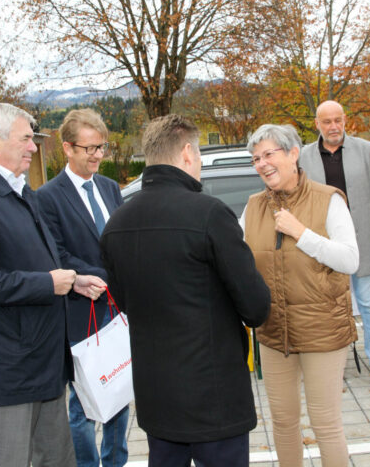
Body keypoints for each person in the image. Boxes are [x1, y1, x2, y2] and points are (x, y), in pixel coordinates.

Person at [100, 114, 271, 467]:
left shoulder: (117, 223)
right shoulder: (209, 214)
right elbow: (255, 307)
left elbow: (124, 301)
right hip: (214, 396)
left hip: (156, 396)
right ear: (188, 153)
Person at [0, 103, 104, 467]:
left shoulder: (21, 190)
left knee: (57, 458)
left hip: (44, 359)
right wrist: (47, 284)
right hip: (10, 367)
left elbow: (42, 259)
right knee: (11, 458)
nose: (34, 147)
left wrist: (73, 281)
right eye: (27, 139)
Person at [242, 124, 359, 467]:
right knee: (282, 422)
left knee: (325, 423)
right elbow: (238, 261)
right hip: (274, 331)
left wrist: (302, 233)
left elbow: (350, 259)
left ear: (293, 153)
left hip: (323, 330)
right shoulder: (253, 207)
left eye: (269, 154)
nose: (262, 164)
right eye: (256, 159)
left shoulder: (328, 199)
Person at [37, 109, 129, 467]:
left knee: (119, 390)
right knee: (84, 404)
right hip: (80, 311)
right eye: (88, 148)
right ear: (67, 148)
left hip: (116, 310)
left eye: (101, 148)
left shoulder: (108, 187)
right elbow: (56, 254)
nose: (96, 155)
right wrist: (100, 277)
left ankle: (115, 461)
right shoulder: (47, 197)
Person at [299, 100, 370, 394]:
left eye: (338, 120)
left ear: (345, 121)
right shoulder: (305, 156)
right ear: (317, 124)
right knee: (327, 308)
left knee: (369, 304)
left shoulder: (364, 149)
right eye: (327, 121)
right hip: (325, 247)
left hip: (361, 242)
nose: (334, 127)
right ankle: (331, 367)